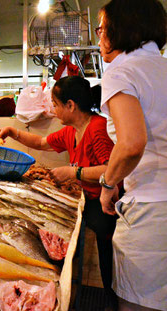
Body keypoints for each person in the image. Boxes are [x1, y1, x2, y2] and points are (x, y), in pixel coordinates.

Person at [0, 76, 118, 310]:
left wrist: (74, 173)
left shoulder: (97, 128)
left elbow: (111, 169)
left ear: (70, 105)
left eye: (55, 104)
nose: (53, 109)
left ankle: (111, 300)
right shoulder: (71, 131)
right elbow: (41, 142)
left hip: (104, 205)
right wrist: (12, 131)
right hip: (84, 200)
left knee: (107, 262)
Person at [97, 0, 167, 310]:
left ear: (117, 30)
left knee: (140, 305)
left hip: (152, 213)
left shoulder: (121, 70)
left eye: (101, 29)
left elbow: (130, 144)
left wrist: (108, 184)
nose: (99, 38)